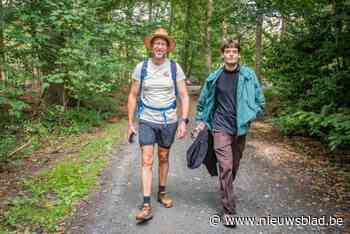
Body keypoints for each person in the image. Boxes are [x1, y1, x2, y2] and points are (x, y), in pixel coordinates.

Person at [194, 38, 265, 227]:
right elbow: (203, 102)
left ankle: (226, 188)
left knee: (233, 165)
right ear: (223, 54)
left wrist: (253, 113)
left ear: (239, 54)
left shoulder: (249, 75)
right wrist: (201, 121)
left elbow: (260, 100)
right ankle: (229, 210)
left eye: (234, 51)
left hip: (240, 128)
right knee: (225, 166)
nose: (231, 54)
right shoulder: (214, 77)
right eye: (228, 51)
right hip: (220, 126)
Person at [127, 28, 190, 222]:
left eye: (163, 44)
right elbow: (133, 95)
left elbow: (184, 95)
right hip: (146, 119)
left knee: (163, 156)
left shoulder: (174, 68)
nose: (159, 47)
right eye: (157, 43)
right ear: (152, 46)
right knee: (147, 159)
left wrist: (184, 120)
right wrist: (130, 123)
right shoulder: (141, 67)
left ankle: (161, 192)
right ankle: (146, 204)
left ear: (167, 48)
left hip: (168, 121)